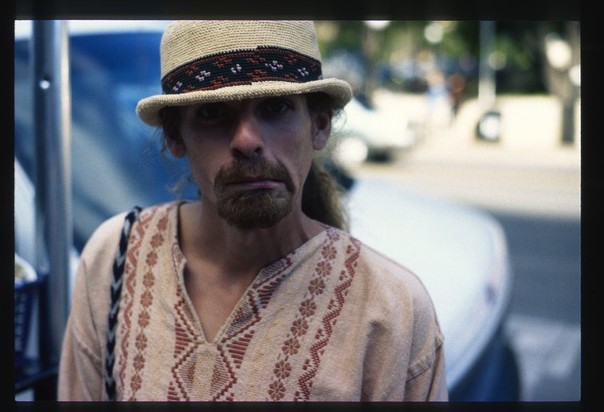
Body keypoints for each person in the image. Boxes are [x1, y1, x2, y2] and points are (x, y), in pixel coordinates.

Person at [58, 20, 448, 402]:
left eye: (276, 107)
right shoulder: (119, 256)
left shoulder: (389, 308)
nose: (246, 140)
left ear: (320, 126)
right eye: (213, 112)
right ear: (176, 136)